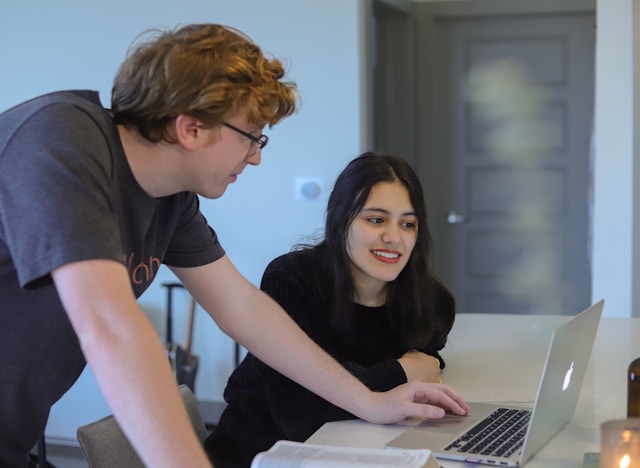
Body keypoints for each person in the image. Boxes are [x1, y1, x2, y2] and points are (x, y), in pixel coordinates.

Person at [0, 24, 469, 468]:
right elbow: (112, 326)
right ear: (191, 128)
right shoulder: (60, 140)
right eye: (252, 136)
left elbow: (244, 308)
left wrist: (370, 400)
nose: (257, 156)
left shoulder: (171, 200)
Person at [205, 152, 462, 467]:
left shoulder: (431, 302)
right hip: (257, 454)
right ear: (340, 221)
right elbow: (299, 413)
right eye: (376, 220)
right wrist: (399, 372)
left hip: (356, 453)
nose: (394, 238)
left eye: (407, 224)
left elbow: (426, 366)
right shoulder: (291, 280)